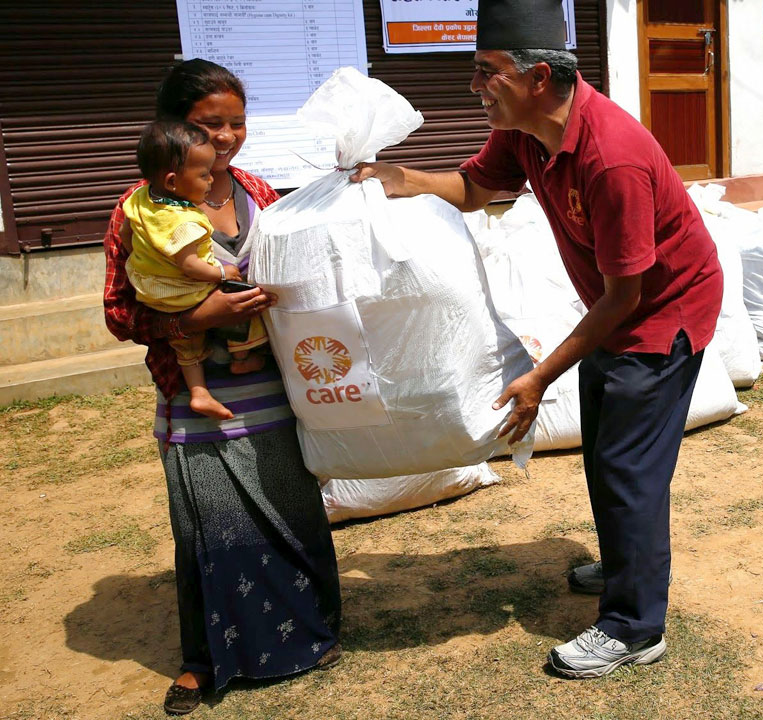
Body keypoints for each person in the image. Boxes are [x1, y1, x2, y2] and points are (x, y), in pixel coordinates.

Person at [352, 0, 723, 679]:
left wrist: (540, 375)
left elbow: (627, 297)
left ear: (539, 77)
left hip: (664, 311)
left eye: (486, 73)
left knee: (628, 467)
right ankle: (623, 561)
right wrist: (401, 181)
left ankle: (635, 626)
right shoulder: (526, 131)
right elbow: (474, 186)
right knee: (608, 451)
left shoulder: (612, 157)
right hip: (617, 306)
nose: (475, 88)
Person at [103, 59, 341, 715]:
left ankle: (311, 636)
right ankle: (207, 658)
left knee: (292, 515)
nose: (229, 137)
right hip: (195, 392)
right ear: (177, 128)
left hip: (277, 384)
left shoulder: (261, 194)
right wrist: (197, 317)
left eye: (237, 122)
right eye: (212, 125)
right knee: (212, 528)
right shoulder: (142, 210)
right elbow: (119, 311)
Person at [124, 120, 267, 421]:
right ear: (174, 181)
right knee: (243, 303)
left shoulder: (140, 200)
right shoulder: (188, 220)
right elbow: (189, 265)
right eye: (203, 175)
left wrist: (147, 259)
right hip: (185, 292)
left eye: (238, 122)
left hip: (152, 289)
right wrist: (222, 273)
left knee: (186, 347)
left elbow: (126, 237)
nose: (210, 181)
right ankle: (242, 356)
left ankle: (199, 392)